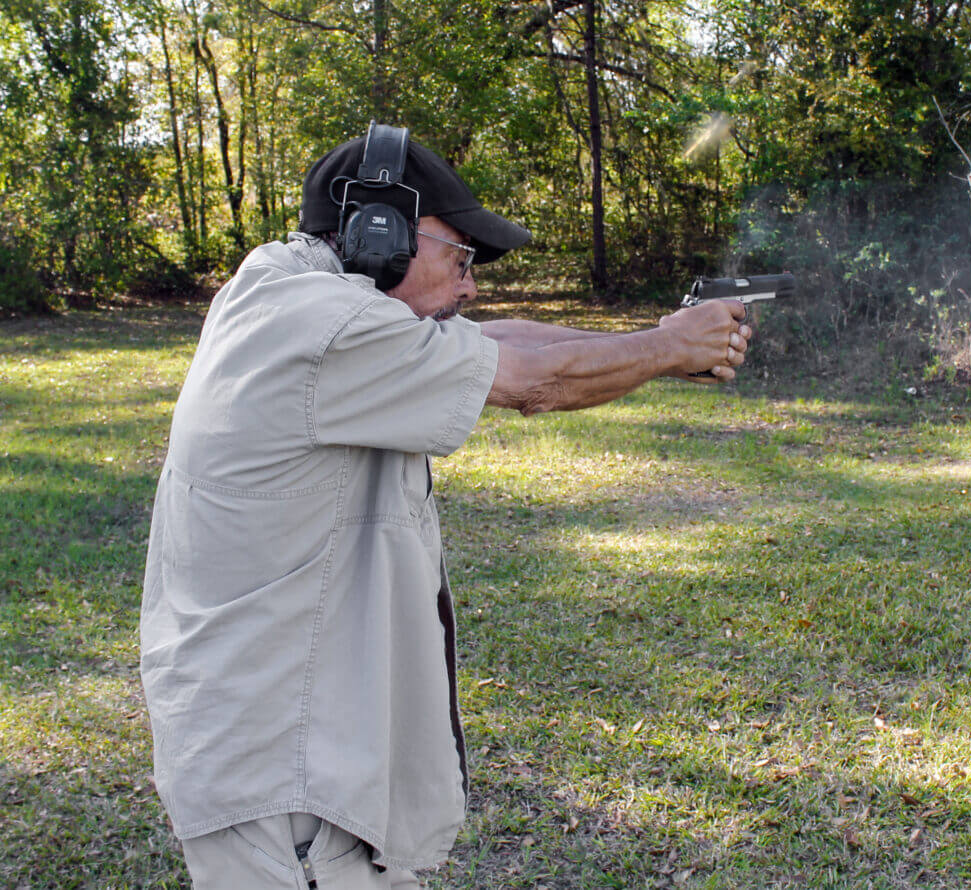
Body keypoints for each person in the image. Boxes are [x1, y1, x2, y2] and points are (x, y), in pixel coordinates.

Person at [138, 129, 752, 889]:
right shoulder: (326, 326)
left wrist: (658, 338)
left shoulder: (288, 290)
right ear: (378, 233)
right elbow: (534, 380)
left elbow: (495, 341)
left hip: (286, 747)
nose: (468, 285)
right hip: (287, 777)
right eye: (459, 258)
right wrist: (669, 349)